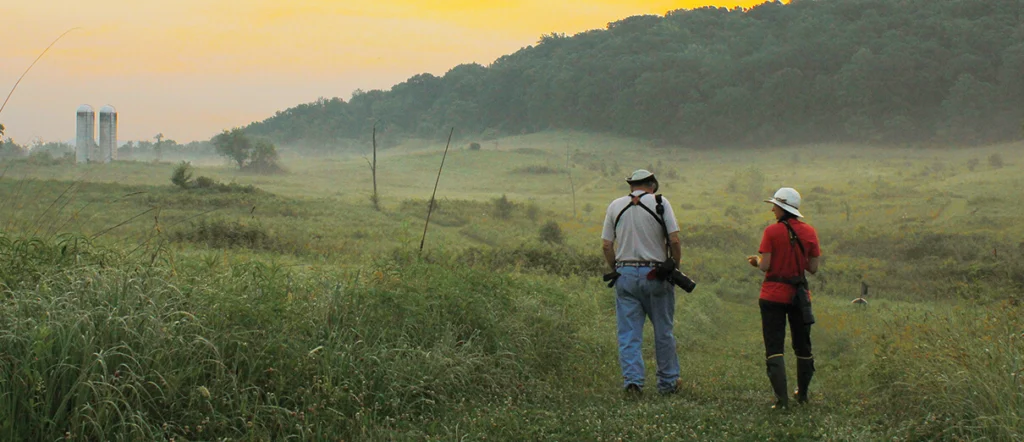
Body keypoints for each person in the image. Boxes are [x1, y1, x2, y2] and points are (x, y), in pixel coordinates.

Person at [601, 169, 682, 396]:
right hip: (656, 273)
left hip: (625, 273)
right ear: (652, 185)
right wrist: (675, 265)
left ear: (631, 186)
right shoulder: (660, 202)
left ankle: (633, 382)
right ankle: (667, 383)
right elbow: (674, 239)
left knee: (628, 333)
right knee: (663, 332)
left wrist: (615, 269)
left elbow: (607, 246)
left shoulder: (615, 206)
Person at [747, 187, 821, 409]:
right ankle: (803, 394)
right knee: (803, 346)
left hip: (772, 295)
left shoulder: (771, 232)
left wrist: (756, 262)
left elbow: (766, 266)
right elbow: (814, 268)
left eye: (775, 206)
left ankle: (782, 400)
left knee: (774, 346)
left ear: (782, 208)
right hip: (799, 296)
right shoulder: (810, 232)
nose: (772, 210)